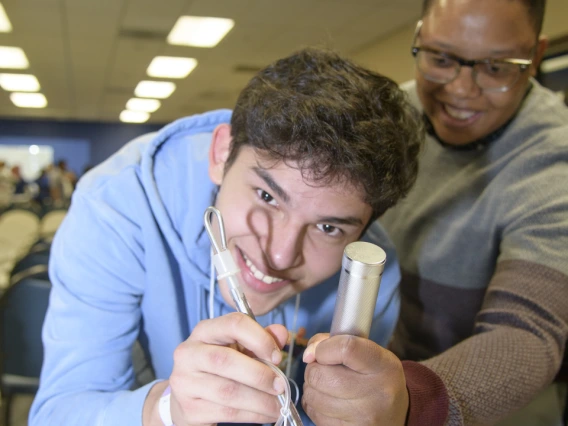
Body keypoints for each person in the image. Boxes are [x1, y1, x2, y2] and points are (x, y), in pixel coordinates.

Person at [29, 48, 423, 425]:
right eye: (268, 196)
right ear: (221, 154)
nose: (280, 256)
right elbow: (59, 412)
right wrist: (164, 413)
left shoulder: (368, 276)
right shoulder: (115, 208)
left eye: (328, 227)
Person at [377, 0, 568, 424]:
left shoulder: (554, 164)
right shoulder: (389, 117)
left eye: (496, 68)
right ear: (419, 37)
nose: (460, 90)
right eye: (441, 58)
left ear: (535, 58)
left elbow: (525, 335)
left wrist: (406, 401)